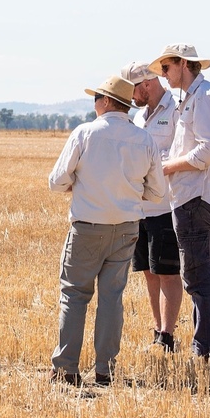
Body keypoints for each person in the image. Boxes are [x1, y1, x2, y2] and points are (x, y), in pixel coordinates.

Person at [47, 74, 167, 386]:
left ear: (106, 101)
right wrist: (127, 191)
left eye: (96, 98)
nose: (95, 103)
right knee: (112, 299)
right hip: (127, 229)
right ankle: (105, 370)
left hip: (87, 228)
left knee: (74, 296)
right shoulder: (145, 139)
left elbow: (56, 181)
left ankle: (66, 369)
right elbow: (157, 193)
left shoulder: (85, 133)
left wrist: (81, 183)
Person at [148, 44, 210, 359]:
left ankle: (206, 351)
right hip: (187, 196)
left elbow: (208, 151)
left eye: (166, 68)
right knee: (195, 276)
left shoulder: (205, 97)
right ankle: (204, 347)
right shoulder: (193, 97)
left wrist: (167, 167)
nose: (163, 76)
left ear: (183, 64)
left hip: (196, 196)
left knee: (198, 277)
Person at [121, 61, 183, 352]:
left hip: (165, 206)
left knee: (168, 272)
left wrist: (146, 165)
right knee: (148, 270)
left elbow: (177, 153)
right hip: (140, 208)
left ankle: (168, 337)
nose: (130, 97)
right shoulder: (138, 118)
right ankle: (157, 330)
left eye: (132, 89)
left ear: (146, 84)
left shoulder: (176, 111)